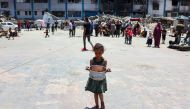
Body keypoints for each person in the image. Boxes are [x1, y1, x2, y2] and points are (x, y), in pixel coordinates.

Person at [85, 43, 111, 109]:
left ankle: (102, 104)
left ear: (102, 52)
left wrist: (107, 70)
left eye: (99, 53)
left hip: (101, 79)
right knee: (95, 93)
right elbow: (92, 69)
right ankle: (97, 105)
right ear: (94, 52)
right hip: (94, 79)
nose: (98, 54)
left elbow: (103, 70)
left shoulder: (104, 61)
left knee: (100, 92)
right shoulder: (92, 61)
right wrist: (88, 68)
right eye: (96, 53)